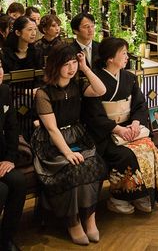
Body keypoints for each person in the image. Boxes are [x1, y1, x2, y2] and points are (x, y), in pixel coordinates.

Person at [31, 44, 107, 245]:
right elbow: (52, 129)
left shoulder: (78, 84)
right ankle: (73, 222)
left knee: (91, 164)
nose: (71, 68)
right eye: (66, 64)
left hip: (77, 136)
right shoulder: (43, 93)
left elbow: (101, 90)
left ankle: (90, 219)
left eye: (74, 62)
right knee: (72, 169)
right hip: (51, 143)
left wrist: (85, 68)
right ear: (55, 65)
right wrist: (67, 153)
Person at [83, 37, 158, 215]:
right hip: (106, 132)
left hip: (129, 128)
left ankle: (141, 195)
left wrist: (136, 123)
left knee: (149, 149)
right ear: (110, 58)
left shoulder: (129, 78)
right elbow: (93, 115)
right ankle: (118, 198)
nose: (127, 57)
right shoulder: (95, 80)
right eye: (123, 53)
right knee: (125, 155)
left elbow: (140, 104)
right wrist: (117, 129)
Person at [0, 57, 26, 251]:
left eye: (0, 66)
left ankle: (6, 238)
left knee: (18, 181)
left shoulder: (4, 91)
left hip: (1, 157)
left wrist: (9, 158)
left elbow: (12, 127)